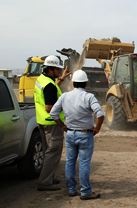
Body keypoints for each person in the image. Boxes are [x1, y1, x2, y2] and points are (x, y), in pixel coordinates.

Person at [50, 69, 104, 200]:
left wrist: (63, 126)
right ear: (85, 83)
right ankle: (85, 192)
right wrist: (97, 129)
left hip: (70, 134)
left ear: (73, 82)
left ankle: (71, 189)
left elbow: (53, 113)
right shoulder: (89, 97)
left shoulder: (64, 96)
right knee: (84, 163)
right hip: (85, 134)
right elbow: (100, 114)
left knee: (70, 162)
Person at [34, 55, 70, 191]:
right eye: (58, 70)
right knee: (53, 151)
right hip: (51, 124)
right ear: (51, 69)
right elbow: (50, 108)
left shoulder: (42, 80)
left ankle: (48, 178)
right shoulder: (49, 85)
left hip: (42, 121)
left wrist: (61, 80)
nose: (60, 72)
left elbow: (51, 90)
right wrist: (62, 124)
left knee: (48, 150)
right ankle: (44, 182)